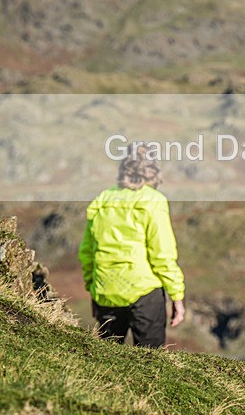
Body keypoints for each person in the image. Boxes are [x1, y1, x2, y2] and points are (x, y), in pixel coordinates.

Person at [79, 144, 186, 347]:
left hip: (105, 289)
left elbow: (86, 251)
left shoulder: (103, 199)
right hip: (144, 293)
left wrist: (92, 285)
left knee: (106, 356)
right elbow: (162, 255)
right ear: (153, 171)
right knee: (151, 358)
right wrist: (177, 296)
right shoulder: (154, 201)